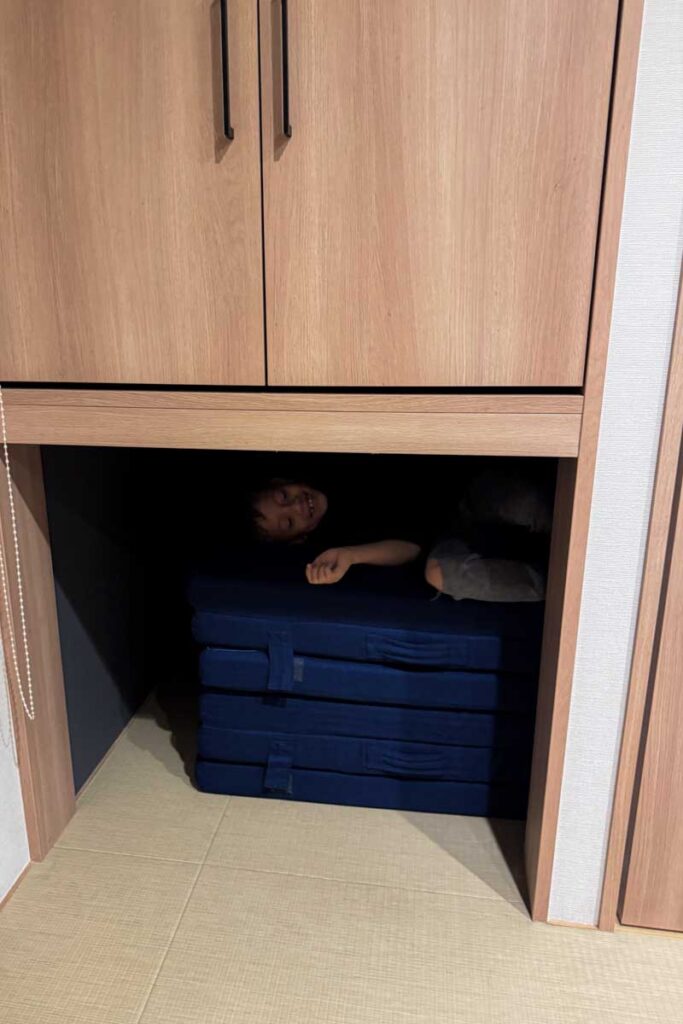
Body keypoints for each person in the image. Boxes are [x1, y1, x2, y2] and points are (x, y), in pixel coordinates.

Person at [248, 460, 552, 602]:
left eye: (283, 497)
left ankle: (578, 527)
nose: (298, 506)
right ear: (299, 537)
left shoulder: (328, 458)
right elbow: (413, 548)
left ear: (283, 479)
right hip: (440, 538)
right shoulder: (332, 543)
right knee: (439, 574)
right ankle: (554, 586)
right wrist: (350, 555)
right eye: (289, 522)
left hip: (458, 488)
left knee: (517, 501)